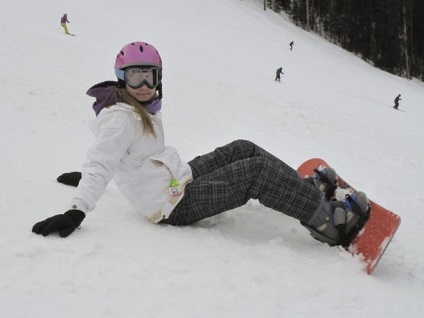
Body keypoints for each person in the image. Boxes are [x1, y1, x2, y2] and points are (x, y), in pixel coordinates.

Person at [32, 41, 370, 249]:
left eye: (150, 75)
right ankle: (329, 222)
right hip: (172, 205)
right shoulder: (122, 117)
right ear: (121, 77)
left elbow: (116, 157)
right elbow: (103, 159)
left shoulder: (139, 108)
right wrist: (77, 208)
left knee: (242, 147)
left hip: (177, 179)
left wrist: (92, 174)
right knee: (255, 172)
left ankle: (300, 190)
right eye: (135, 75)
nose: (144, 84)